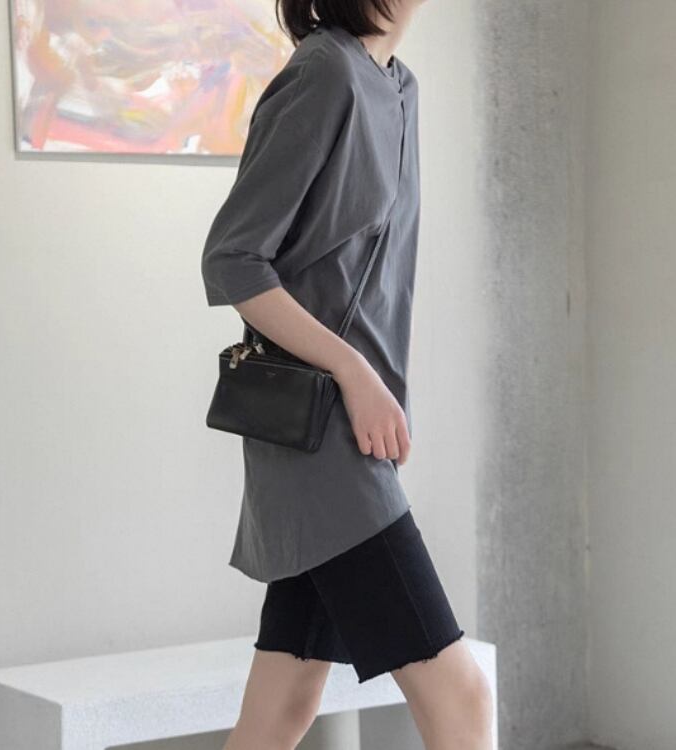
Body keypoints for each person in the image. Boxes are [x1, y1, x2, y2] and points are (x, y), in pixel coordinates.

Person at [201, 1, 494, 748]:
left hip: (352, 433)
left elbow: (382, 281)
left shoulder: (398, 84)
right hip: (319, 435)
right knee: (460, 693)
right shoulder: (325, 73)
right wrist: (356, 372)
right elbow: (234, 260)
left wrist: (383, 396)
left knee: (284, 699)